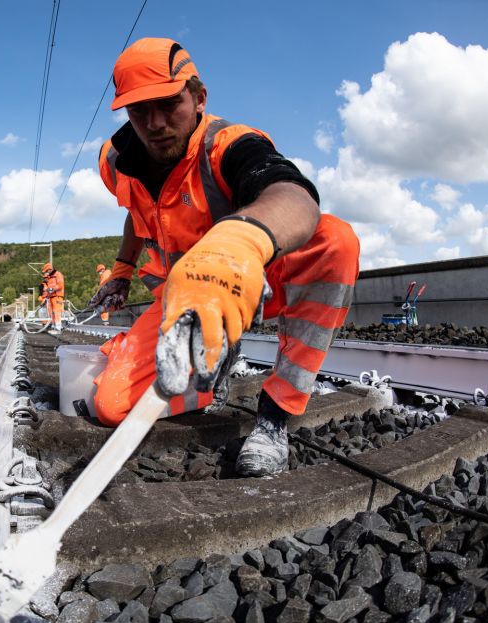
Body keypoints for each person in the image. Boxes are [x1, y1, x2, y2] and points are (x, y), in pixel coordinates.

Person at [88, 37, 360, 477]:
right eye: (140, 110)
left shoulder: (229, 145)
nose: (155, 123)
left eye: (169, 103)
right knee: (112, 405)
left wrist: (239, 245)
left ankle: (275, 417)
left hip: (248, 281)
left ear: (198, 98)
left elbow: (291, 196)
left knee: (334, 241)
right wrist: (121, 269)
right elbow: (135, 210)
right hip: (183, 297)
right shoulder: (115, 161)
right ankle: (213, 364)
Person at [39, 262, 65, 335]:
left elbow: (60, 285)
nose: (46, 273)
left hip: (57, 296)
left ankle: (58, 328)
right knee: (53, 313)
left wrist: (52, 289)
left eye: (47, 271)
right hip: (52, 297)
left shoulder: (58, 274)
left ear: (50, 269)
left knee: (57, 312)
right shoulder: (51, 277)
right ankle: (54, 327)